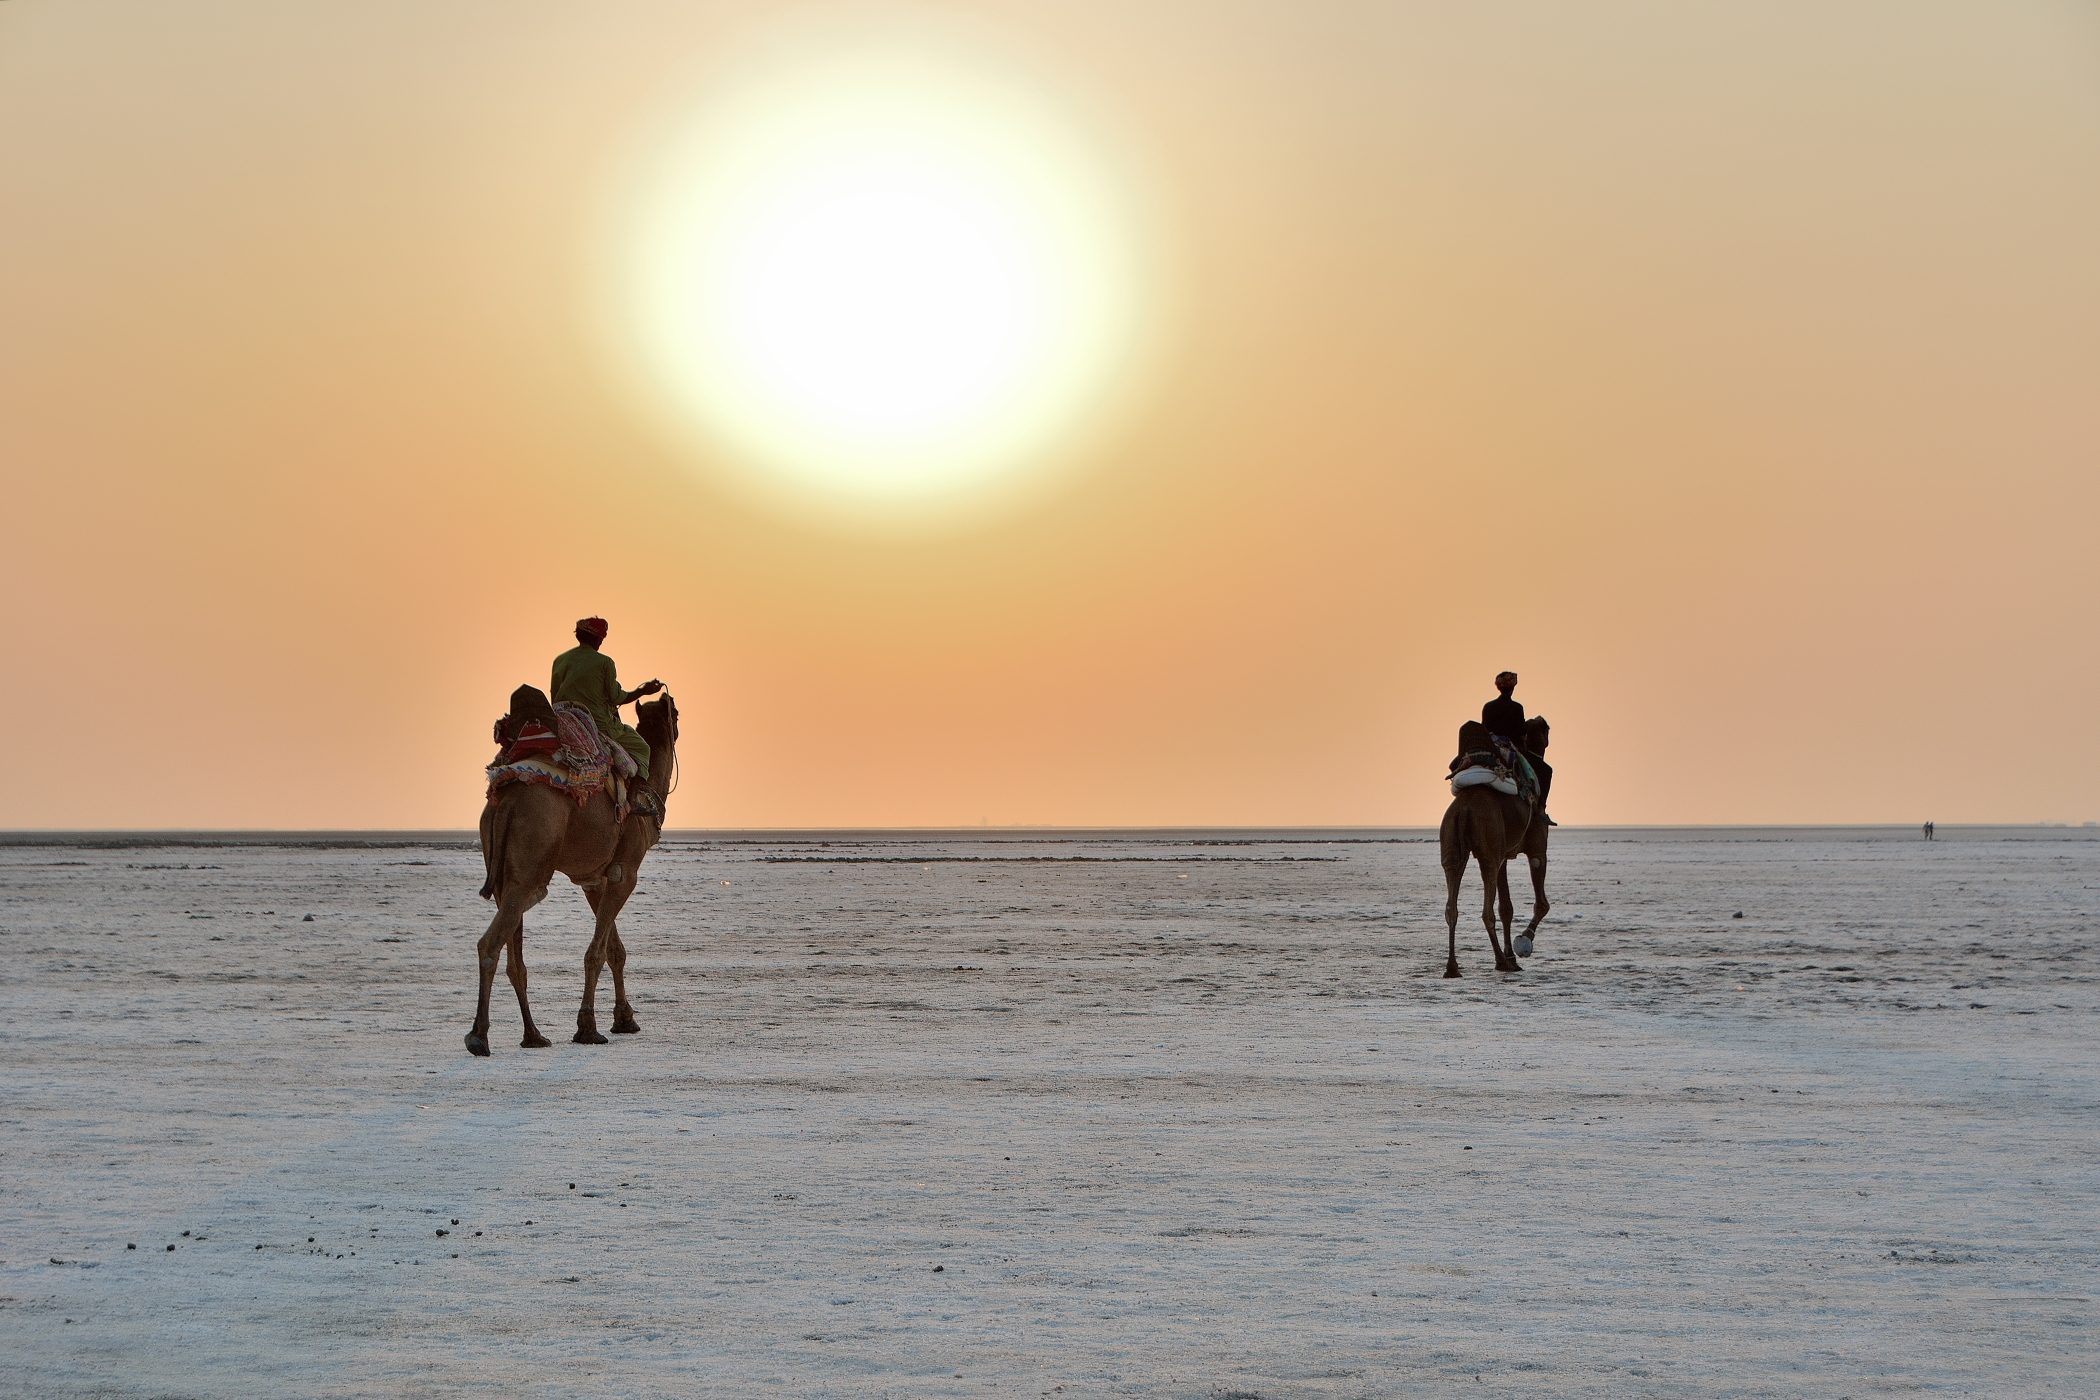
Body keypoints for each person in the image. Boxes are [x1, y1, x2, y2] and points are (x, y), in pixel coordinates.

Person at [551, 617, 662, 779]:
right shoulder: (605, 662)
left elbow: (555, 696)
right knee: (643, 748)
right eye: (601, 639)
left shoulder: (560, 660)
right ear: (597, 639)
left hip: (565, 719)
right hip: (598, 724)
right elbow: (617, 697)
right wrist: (643, 691)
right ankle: (636, 797)